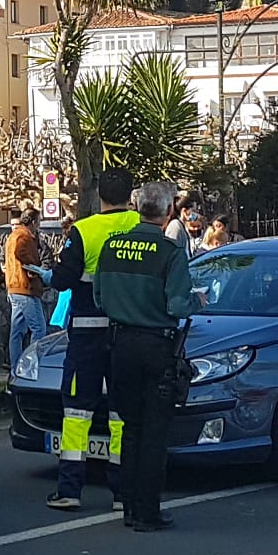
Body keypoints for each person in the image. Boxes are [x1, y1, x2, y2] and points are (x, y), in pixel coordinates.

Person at [95, 181, 198, 532]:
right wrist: (197, 301)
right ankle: (147, 510)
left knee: (131, 427)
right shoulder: (170, 253)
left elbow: (99, 297)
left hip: (120, 344)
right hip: (156, 345)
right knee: (155, 430)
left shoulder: (111, 247)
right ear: (168, 211)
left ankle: (128, 506)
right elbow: (179, 305)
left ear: (138, 208)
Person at [43, 166, 140, 512]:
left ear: (99, 193)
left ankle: (70, 489)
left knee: (77, 412)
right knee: (122, 414)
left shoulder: (84, 231)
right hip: (128, 335)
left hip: (87, 336)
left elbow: (62, 280)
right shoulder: (141, 229)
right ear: (131, 194)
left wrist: (49, 273)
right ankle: (122, 493)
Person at [3, 206, 47, 370]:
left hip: (14, 287)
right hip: (25, 288)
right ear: (34, 222)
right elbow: (20, 252)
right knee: (39, 329)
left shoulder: (14, 235)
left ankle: (16, 366)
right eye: (39, 221)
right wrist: (34, 267)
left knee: (17, 330)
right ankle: (31, 367)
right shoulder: (24, 236)